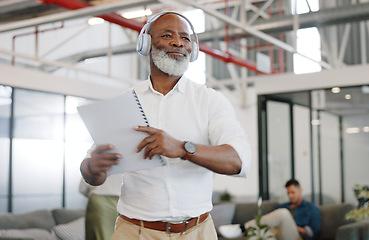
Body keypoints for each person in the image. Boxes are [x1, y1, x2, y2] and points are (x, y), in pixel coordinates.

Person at [80, 11, 251, 240]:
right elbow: (92, 175)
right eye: (167, 35)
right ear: (146, 44)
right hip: (135, 232)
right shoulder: (125, 102)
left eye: (185, 37)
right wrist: (93, 167)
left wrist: (182, 148)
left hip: (198, 232)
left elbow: (238, 161)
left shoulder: (210, 100)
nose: (178, 42)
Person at [243, 179, 321, 240]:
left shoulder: (311, 208)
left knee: (283, 213)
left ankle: (245, 226)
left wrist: (295, 227)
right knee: (258, 233)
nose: (290, 196)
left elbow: (314, 232)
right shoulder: (283, 206)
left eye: (293, 192)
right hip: (278, 234)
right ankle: (250, 228)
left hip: (296, 237)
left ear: (300, 190)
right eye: (288, 193)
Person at [79, 170, 122, 240]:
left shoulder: (93, 159)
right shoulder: (134, 161)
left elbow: (82, 188)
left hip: (98, 203)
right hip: (124, 205)